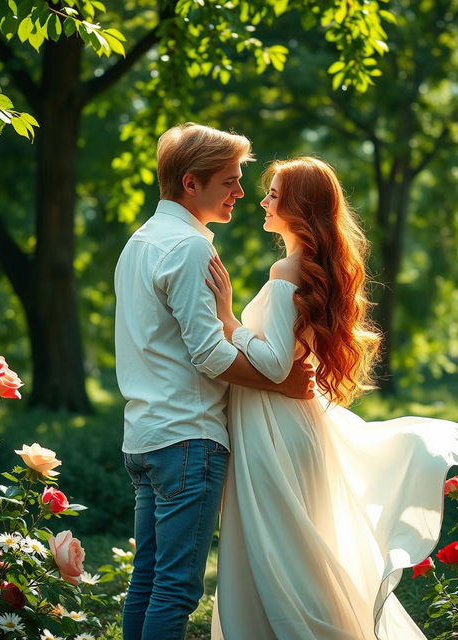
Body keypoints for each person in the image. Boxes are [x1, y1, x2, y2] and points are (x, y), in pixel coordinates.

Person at [205, 156, 458, 640]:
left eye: (274, 195)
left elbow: (277, 363)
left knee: (277, 553)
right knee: (291, 551)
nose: (262, 201)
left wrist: (227, 317)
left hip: (274, 431)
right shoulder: (309, 267)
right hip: (283, 424)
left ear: (299, 207)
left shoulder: (287, 268)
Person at [113, 124, 314, 640]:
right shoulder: (188, 248)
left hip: (145, 435)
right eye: (229, 181)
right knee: (176, 589)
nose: (241, 193)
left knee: (148, 580)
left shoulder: (141, 242)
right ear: (190, 183)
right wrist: (281, 383)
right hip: (188, 437)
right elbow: (208, 354)